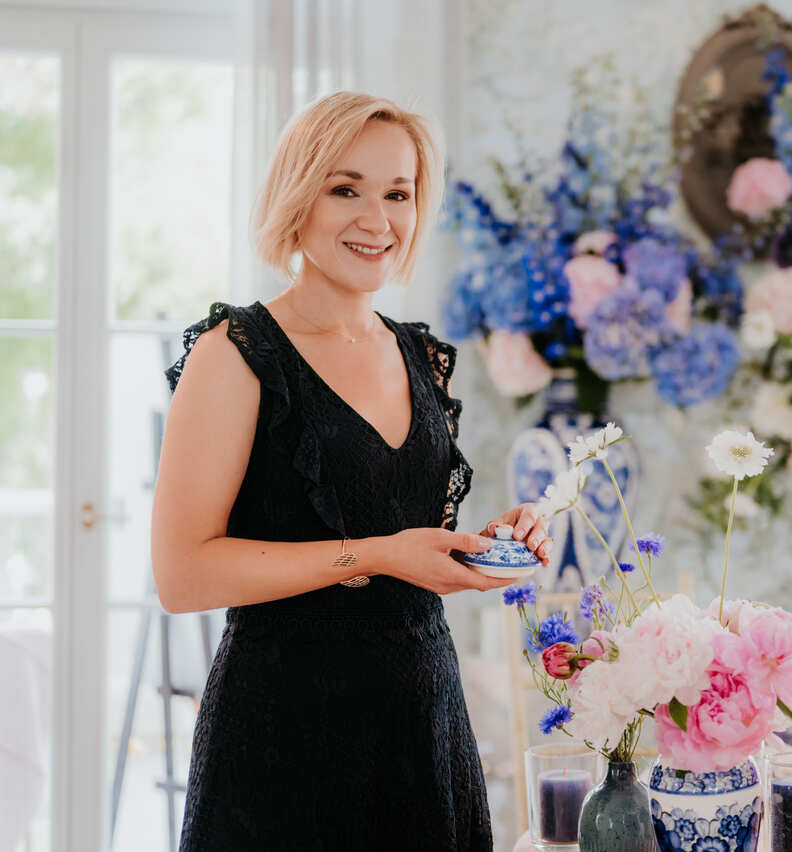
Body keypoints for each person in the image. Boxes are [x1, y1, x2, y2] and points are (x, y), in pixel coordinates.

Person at [151, 91, 550, 850]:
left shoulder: (420, 355)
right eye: (346, 189)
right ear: (298, 198)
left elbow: (404, 535)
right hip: (283, 745)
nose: (377, 220)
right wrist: (378, 554)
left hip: (423, 731)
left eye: (398, 194)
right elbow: (182, 576)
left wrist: (488, 543)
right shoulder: (234, 354)